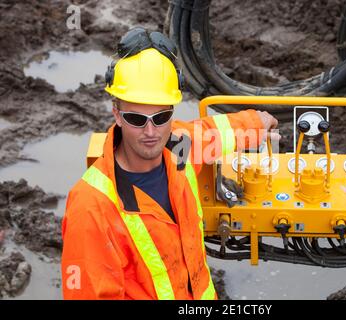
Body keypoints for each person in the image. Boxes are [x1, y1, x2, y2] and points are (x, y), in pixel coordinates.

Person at [61, 28, 279, 300]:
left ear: (172, 113)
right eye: (137, 119)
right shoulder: (91, 207)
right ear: (116, 114)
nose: (151, 132)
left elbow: (210, 133)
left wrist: (255, 124)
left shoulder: (177, 148)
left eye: (161, 117)